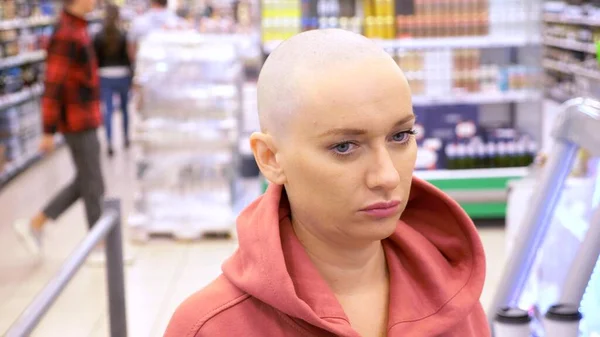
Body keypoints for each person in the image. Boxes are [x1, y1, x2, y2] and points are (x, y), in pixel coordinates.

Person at [164, 29, 490, 336]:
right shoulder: (211, 327)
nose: (387, 176)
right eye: (344, 146)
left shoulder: (454, 297)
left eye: (400, 136)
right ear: (270, 158)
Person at [13, 0, 104, 257]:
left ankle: (36, 223)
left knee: (87, 180)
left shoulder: (77, 28)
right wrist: (47, 131)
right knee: (93, 182)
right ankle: (97, 245)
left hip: (85, 116)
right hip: (76, 119)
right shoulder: (66, 33)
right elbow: (53, 85)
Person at [93, 4, 132, 157]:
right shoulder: (123, 34)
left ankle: (109, 142)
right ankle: (126, 138)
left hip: (105, 76)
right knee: (124, 109)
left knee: (108, 110)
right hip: (122, 74)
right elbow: (127, 58)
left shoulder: (98, 36)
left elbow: (96, 59)